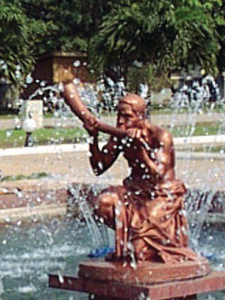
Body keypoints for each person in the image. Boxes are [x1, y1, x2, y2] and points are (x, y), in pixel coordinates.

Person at [60, 82, 203, 265]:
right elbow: (99, 167)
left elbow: (158, 175)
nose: (120, 121)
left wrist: (140, 149)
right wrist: (93, 137)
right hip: (134, 192)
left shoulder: (160, 136)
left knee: (138, 254)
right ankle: (135, 239)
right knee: (102, 203)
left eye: (126, 116)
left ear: (141, 117)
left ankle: (144, 243)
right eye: (118, 115)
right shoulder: (121, 134)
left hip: (161, 196)